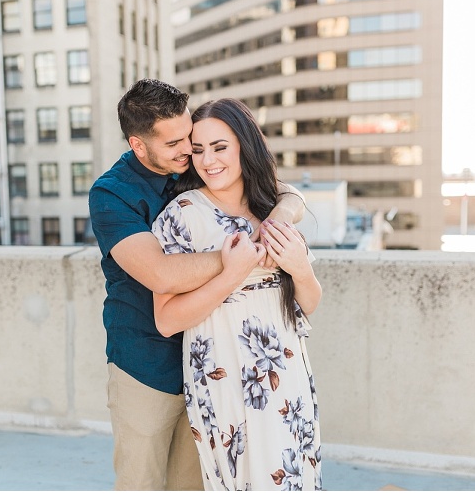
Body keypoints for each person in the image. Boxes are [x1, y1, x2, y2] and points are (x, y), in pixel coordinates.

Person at [88, 80, 307, 491]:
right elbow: (161, 274)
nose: (190, 150)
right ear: (138, 145)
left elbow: (283, 189)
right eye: (175, 142)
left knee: (195, 484)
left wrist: (280, 217)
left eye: (189, 135)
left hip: (210, 360)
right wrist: (241, 255)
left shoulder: (191, 159)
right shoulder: (111, 195)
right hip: (145, 361)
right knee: (142, 483)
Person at [151, 98, 323, 490]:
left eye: (220, 147)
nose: (208, 160)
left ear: (246, 145)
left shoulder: (272, 209)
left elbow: (308, 304)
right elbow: (166, 319)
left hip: (286, 376)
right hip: (223, 376)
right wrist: (231, 275)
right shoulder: (181, 216)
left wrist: (300, 267)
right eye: (198, 150)